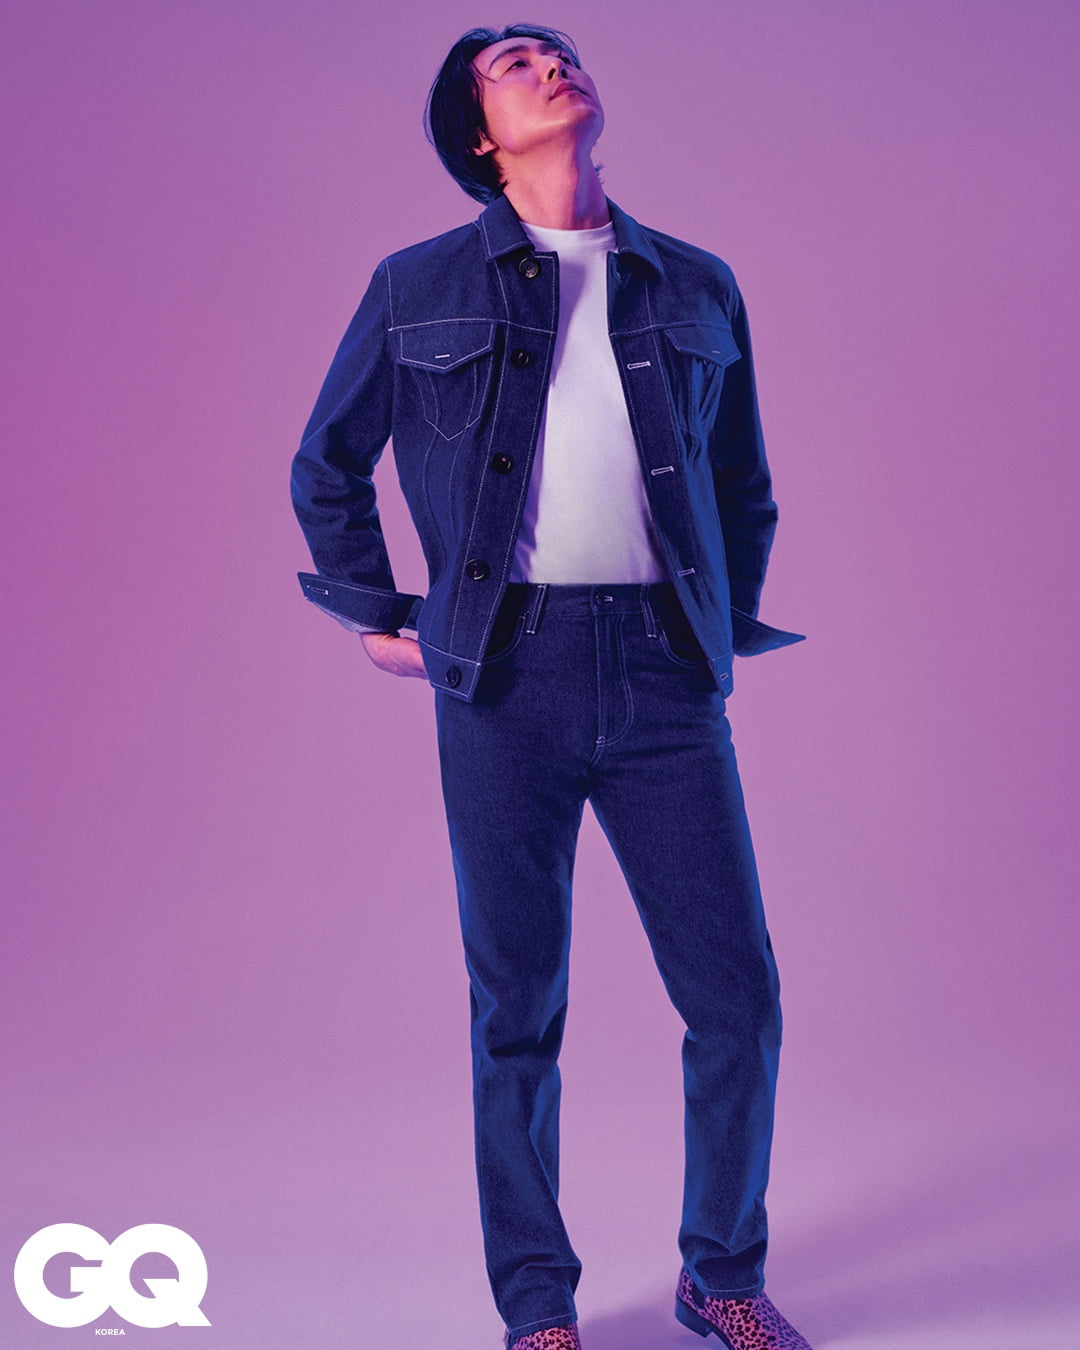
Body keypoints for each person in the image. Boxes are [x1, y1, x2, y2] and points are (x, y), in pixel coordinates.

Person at [291, 23, 812, 1350]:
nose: (549, 64)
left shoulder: (694, 282)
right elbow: (326, 462)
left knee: (737, 996)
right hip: (501, 677)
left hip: (663, 679)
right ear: (480, 138)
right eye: (514, 63)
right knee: (516, 1008)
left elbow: (742, 486)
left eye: (558, 49)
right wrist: (379, 610)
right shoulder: (415, 284)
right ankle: (539, 1306)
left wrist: (711, 630)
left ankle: (720, 1273)